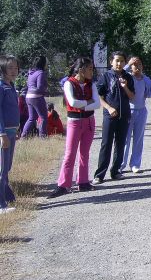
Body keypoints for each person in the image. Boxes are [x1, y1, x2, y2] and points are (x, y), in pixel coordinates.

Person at [49, 57, 100, 198]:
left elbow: (97, 104)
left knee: (85, 153)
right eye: (90, 69)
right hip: (75, 122)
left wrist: (83, 104)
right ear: (81, 70)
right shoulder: (69, 83)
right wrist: (88, 102)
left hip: (89, 121)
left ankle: (83, 182)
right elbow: (72, 102)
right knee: (70, 153)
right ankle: (63, 184)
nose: (92, 72)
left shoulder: (91, 84)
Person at [92, 51, 135, 184]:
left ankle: (115, 171)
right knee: (106, 144)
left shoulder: (128, 77)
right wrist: (109, 108)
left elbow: (132, 96)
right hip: (110, 116)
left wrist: (125, 87)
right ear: (111, 62)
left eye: (122, 61)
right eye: (117, 60)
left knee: (120, 144)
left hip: (124, 115)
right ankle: (99, 174)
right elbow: (98, 96)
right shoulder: (105, 76)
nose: (119, 63)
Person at [121, 57, 151, 174]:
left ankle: (135, 164)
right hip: (129, 111)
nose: (137, 67)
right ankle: (121, 165)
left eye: (140, 64)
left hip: (141, 111)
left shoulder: (146, 79)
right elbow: (120, 72)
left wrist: (148, 94)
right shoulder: (128, 77)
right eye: (135, 65)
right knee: (125, 139)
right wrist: (128, 64)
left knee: (138, 139)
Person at [0, 55, 20, 213]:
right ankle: (1, 205)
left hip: (12, 131)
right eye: (10, 68)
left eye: (16, 68)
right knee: (1, 169)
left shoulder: (11, 86)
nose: (13, 71)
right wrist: (2, 134)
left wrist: (17, 128)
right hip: (4, 133)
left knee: (7, 167)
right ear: (2, 70)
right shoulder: (1, 87)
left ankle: (7, 195)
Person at [21, 56, 49, 138]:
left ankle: (23, 136)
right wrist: (45, 90)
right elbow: (40, 87)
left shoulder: (31, 72)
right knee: (43, 117)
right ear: (43, 63)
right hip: (37, 97)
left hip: (28, 97)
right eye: (46, 63)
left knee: (31, 118)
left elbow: (29, 85)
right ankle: (42, 136)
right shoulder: (40, 73)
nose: (47, 64)